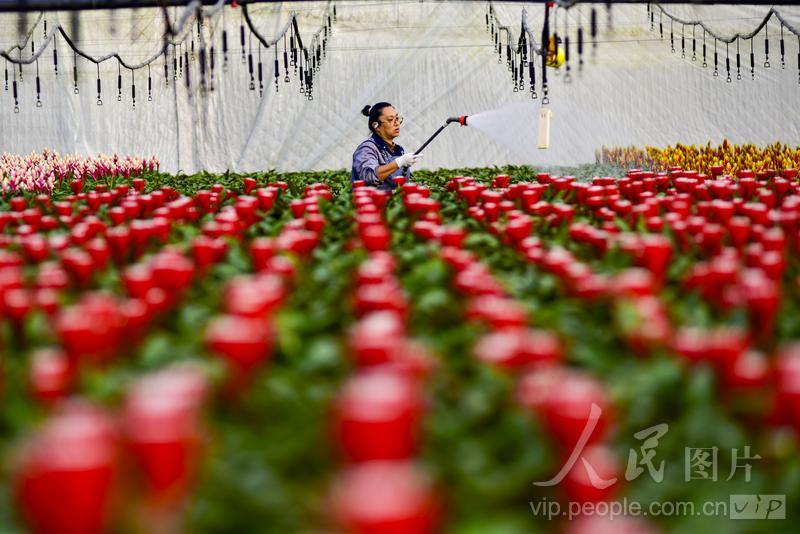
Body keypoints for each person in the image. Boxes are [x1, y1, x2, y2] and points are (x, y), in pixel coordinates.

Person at [351, 102, 422, 191]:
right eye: (390, 119)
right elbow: (369, 176)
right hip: (371, 202)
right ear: (376, 125)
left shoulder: (398, 149)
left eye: (397, 118)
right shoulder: (366, 149)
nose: (397, 123)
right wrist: (399, 162)